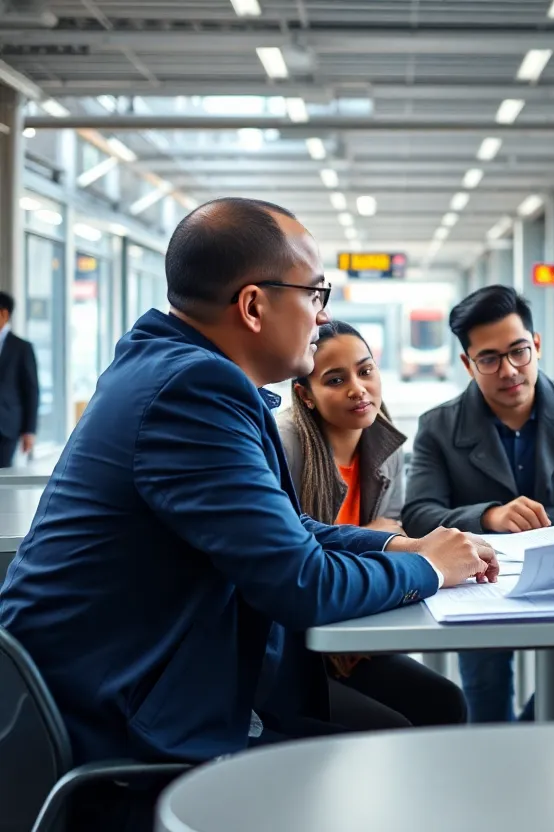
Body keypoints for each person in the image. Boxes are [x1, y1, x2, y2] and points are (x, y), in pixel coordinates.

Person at [0, 198, 495, 827]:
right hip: (125, 731)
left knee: (422, 715)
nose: (323, 313)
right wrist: (432, 571)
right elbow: (302, 583)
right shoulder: (193, 392)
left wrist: (398, 548)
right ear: (254, 305)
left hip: (124, 691)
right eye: (315, 292)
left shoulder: (176, 370)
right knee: (403, 767)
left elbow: (283, 529)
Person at [403, 285, 554, 722]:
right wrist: (490, 517)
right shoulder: (439, 425)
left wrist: (540, 525)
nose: (509, 370)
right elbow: (418, 514)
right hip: (483, 581)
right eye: (489, 359)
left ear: (536, 345)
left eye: (519, 351)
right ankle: (500, 756)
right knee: (485, 685)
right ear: (468, 364)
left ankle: (530, 735)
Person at [278, 320, 467, 728]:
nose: (358, 389)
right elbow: (291, 555)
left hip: (352, 627)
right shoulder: (285, 445)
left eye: (365, 371)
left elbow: (391, 526)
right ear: (304, 395)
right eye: (335, 379)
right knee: (389, 725)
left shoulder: (386, 446)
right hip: (291, 642)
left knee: (445, 701)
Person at [0, 291, 39, 468]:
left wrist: (29, 430)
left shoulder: (21, 348)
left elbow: (31, 390)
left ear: (4, 314)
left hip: (6, 426)